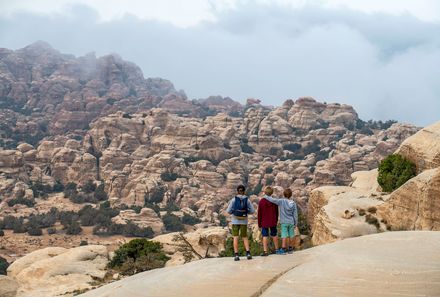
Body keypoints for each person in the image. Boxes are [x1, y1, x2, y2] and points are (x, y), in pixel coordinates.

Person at [264, 188, 298, 254]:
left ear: (284, 194)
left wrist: (266, 196)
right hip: (291, 222)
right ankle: (290, 248)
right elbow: (295, 214)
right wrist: (295, 223)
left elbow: (273, 200)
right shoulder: (293, 203)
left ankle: (283, 248)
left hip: (284, 222)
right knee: (291, 235)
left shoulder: (281, 201)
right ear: (291, 195)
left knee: (284, 235)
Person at [226, 185, 255, 261]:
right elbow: (252, 211)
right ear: (244, 191)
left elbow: (228, 211)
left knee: (235, 237)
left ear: (237, 191)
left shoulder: (233, 200)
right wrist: (246, 212)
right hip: (244, 221)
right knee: (244, 237)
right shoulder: (247, 200)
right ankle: (248, 253)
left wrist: (234, 212)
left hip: (235, 221)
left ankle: (236, 255)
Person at [257, 186, 279, 256]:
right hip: (272, 220)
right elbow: (276, 212)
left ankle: (265, 251)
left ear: (265, 192)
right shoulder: (274, 201)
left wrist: (259, 224)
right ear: (272, 193)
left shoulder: (262, 201)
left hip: (264, 221)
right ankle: (277, 250)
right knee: (274, 234)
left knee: (265, 236)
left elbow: (259, 213)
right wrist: (276, 220)